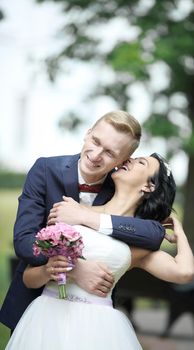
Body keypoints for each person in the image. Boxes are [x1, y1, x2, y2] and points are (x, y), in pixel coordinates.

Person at [5, 153, 194, 350]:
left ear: (148, 186)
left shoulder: (139, 244)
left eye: (141, 162)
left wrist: (179, 229)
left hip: (98, 331)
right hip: (46, 320)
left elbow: (185, 272)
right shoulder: (73, 211)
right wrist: (53, 270)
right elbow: (28, 277)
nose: (128, 160)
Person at [0, 111, 168, 332]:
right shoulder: (45, 170)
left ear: (123, 161)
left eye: (109, 152)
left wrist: (85, 216)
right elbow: (23, 242)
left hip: (91, 316)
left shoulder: (121, 187)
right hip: (33, 306)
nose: (96, 154)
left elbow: (153, 234)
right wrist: (74, 267)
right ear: (88, 133)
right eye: (95, 141)